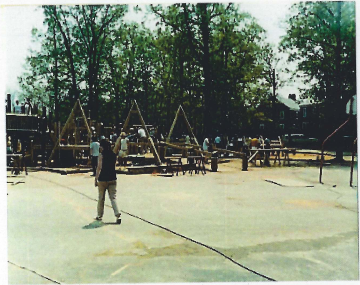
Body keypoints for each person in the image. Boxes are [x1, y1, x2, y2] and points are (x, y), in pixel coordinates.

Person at [95, 140, 121, 224]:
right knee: (113, 197)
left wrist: (96, 179)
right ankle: (117, 215)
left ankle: (99, 216)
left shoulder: (101, 155)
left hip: (103, 178)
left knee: (101, 198)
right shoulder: (113, 155)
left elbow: (99, 167)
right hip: (112, 177)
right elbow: (114, 165)